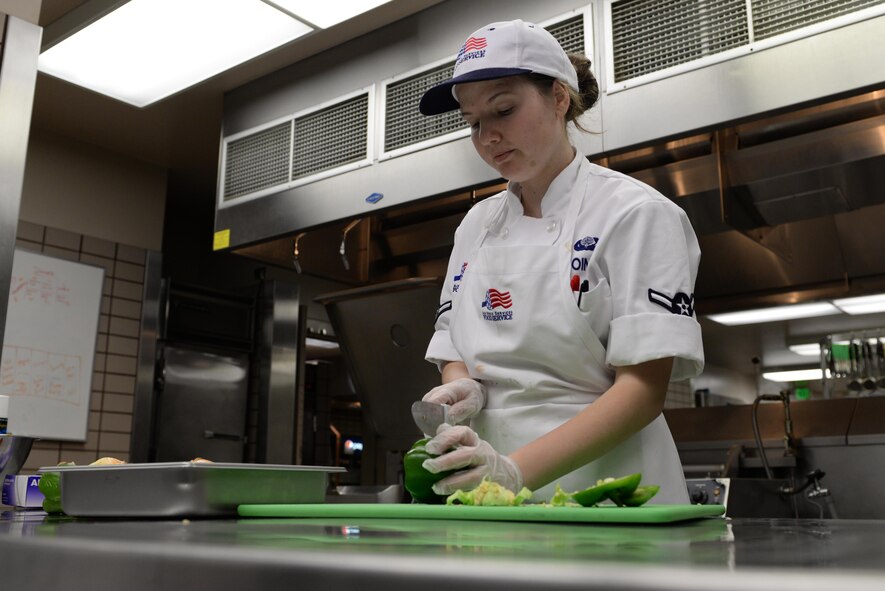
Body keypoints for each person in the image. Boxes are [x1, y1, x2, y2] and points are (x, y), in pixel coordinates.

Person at [416, 19, 704, 503]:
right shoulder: (475, 225)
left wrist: (512, 471)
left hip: (608, 492)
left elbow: (643, 391)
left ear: (558, 97)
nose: (488, 136)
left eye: (503, 109)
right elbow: (455, 351)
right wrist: (465, 389)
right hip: (487, 494)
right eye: (472, 122)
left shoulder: (637, 213)